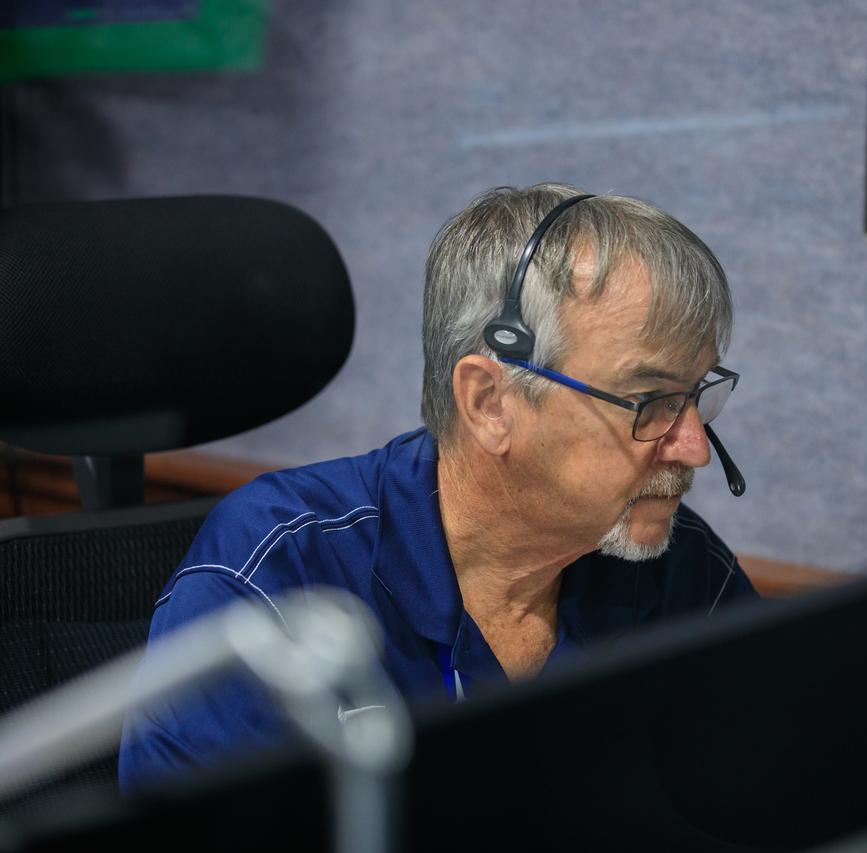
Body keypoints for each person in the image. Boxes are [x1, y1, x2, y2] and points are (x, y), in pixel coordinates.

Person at [118, 183, 757, 790]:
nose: (694, 448)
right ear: (489, 404)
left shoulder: (679, 569)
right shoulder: (279, 578)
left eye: (697, 395)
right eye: (651, 401)